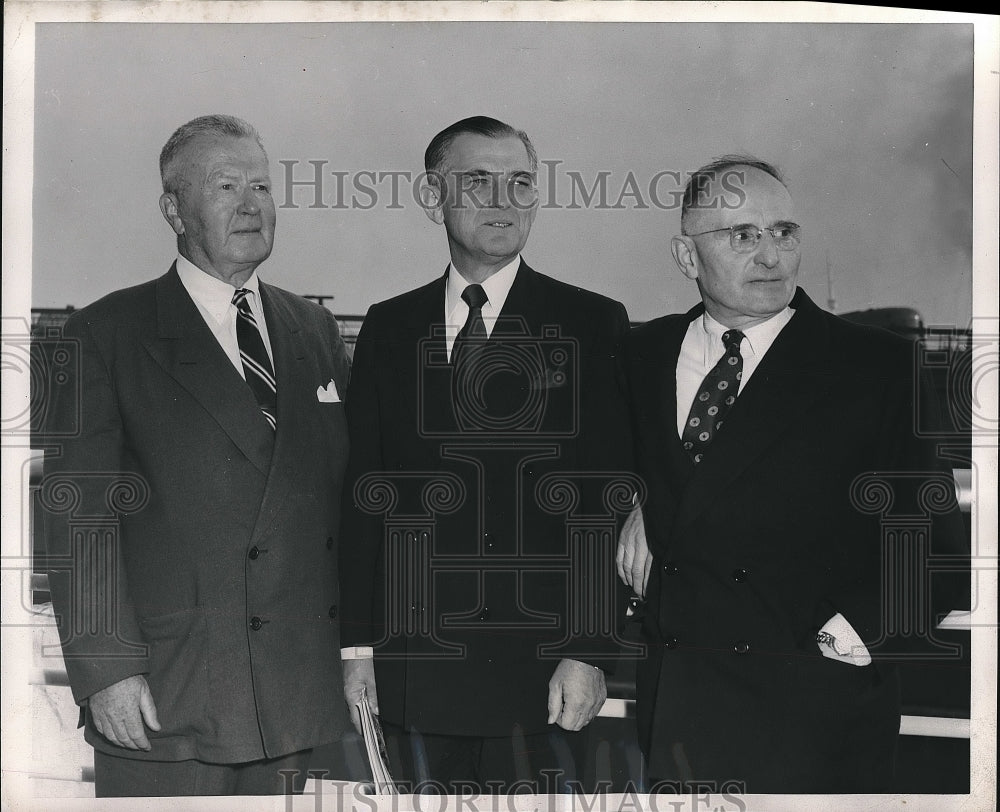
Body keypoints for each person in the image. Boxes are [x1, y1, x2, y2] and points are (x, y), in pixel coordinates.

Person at [617, 156, 968, 793]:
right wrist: (637, 500)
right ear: (686, 256)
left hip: (816, 722)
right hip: (677, 717)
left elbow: (936, 550)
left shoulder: (877, 368)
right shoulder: (639, 357)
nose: (771, 255)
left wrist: (846, 641)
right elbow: (590, 477)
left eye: (784, 232)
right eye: (743, 236)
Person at [38, 115, 352, 797]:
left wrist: (358, 651)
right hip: (173, 698)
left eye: (263, 186)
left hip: (299, 702)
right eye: (226, 185)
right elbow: (79, 517)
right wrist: (106, 669)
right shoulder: (106, 333)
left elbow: (345, 503)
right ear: (173, 209)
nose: (251, 203)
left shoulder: (314, 329)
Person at [338, 116, 634, 793]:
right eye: (479, 182)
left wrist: (589, 651)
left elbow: (604, 499)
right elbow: (364, 498)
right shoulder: (390, 325)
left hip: (540, 679)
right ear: (431, 196)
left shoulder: (591, 324)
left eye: (520, 183)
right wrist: (355, 648)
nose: (504, 201)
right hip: (414, 675)